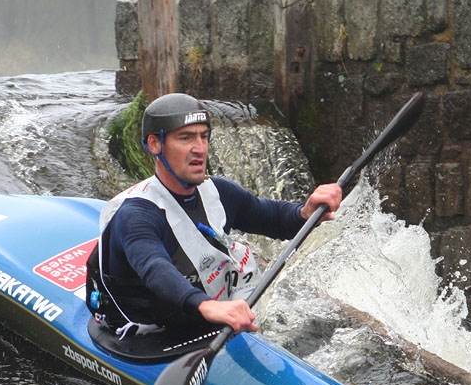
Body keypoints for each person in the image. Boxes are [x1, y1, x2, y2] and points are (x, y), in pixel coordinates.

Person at [87, 93, 341, 338]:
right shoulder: (137, 215)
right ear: (155, 144)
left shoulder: (218, 191)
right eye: (186, 138)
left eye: (204, 137)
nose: (200, 148)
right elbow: (156, 269)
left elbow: (270, 217)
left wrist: (305, 212)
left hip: (201, 313)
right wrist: (207, 306)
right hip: (146, 331)